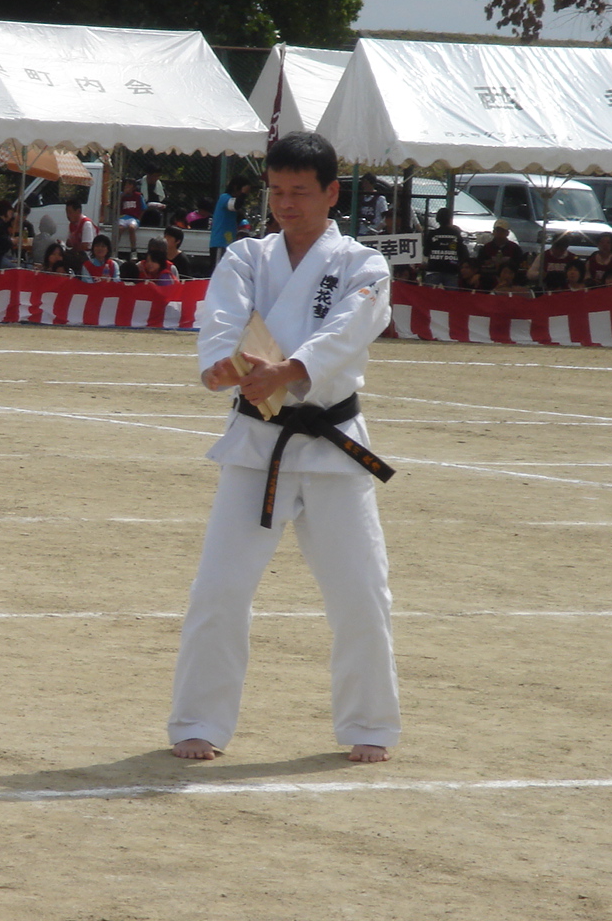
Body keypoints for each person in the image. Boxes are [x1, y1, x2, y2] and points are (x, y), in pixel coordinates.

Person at [168, 131, 400, 765]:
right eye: (276, 191)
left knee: (361, 593)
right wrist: (221, 366)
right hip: (256, 442)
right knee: (218, 590)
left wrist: (290, 369)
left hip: (332, 445)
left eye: (300, 191)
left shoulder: (363, 265)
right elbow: (223, 320)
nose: (286, 204)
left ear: (331, 193)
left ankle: (369, 722)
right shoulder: (247, 256)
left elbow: (348, 330)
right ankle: (199, 721)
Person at [209, 176, 251, 263]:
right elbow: (235, 206)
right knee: (218, 268)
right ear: (235, 187)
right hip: (220, 243)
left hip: (229, 243)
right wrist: (243, 194)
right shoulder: (224, 197)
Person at [423, 207, 467, 288]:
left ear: (437, 219)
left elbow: (425, 252)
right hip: (451, 269)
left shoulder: (432, 234)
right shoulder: (456, 234)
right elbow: (463, 253)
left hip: (434, 269)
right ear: (450, 219)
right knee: (451, 295)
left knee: (429, 294)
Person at [479, 220, 524, 285]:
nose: (499, 233)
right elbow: (479, 263)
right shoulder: (486, 247)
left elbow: (519, 264)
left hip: (510, 279)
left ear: (507, 233)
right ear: (493, 232)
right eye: (498, 231)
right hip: (488, 277)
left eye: (502, 231)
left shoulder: (515, 248)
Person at [117, 178, 145, 257]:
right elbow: (115, 206)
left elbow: (143, 209)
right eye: (126, 185)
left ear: (134, 187)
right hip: (122, 217)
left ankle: (133, 250)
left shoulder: (138, 196)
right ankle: (114, 248)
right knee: (120, 229)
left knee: (131, 228)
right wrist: (122, 195)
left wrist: (139, 219)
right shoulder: (121, 195)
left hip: (133, 218)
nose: (127, 186)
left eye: (129, 185)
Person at [64, 199, 96, 265]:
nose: (68, 215)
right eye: (67, 212)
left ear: (78, 211)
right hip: (77, 255)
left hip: (88, 257)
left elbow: (85, 246)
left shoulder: (86, 224)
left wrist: (72, 248)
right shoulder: (72, 224)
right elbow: (69, 243)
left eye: (70, 212)